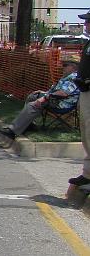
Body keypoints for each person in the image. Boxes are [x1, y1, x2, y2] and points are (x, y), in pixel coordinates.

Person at [0, 55, 80, 140]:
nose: (62, 67)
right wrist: (43, 93)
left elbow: (63, 93)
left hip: (61, 103)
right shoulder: (67, 76)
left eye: (65, 65)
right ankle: (29, 124)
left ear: (73, 66)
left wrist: (44, 97)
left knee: (32, 105)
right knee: (32, 96)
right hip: (55, 99)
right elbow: (58, 91)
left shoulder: (74, 78)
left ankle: (13, 131)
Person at [68, 10, 90, 188]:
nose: (86, 25)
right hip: (85, 91)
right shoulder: (89, 43)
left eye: (88, 22)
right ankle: (87, 174)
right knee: (86, 133)